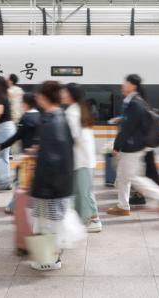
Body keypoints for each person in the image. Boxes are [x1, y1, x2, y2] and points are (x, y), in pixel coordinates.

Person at [107, 74, 159, 217]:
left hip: (133, 146)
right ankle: (123, 206)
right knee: (124, 176)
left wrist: (116, 146)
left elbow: (128, 128)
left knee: (132, 177)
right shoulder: (134, 101)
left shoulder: (135, 103)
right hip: (134, 145)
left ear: (133, 86)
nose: (123, 85)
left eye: (125, 83)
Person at [29, 81, 75, 271]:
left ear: (45, 97)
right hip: (59, 181)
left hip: (50, 184)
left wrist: (42, 187)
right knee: (48, 222)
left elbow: (51, 158)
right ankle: (48, 257)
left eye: (39, 95)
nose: (38, 99)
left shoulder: (51, 120)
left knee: (49, 224)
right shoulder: (60, 116)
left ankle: (49, 260)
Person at [62, 83, 102, 233]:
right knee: (81, 191)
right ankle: (83, 220)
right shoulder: (80, 109)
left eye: (64, 92)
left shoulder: (72, 112)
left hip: (81, 160)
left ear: (71, 95)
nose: (62, 95)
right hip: (85, 159)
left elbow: (72, 137)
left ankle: (94, 220)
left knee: (84, 192)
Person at [0, 92, 42, 215]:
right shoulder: (40, 115)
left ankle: (12, 206)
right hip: (39, 155)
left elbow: (17, 136)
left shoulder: (26, 117)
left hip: (28, 156)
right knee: (29, 182)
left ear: (25, 103)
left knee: (21, 181)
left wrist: (2, 146)